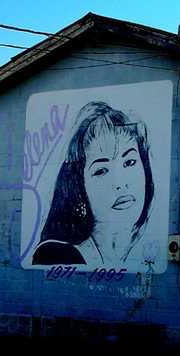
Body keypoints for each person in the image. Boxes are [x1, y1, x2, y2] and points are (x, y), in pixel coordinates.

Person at [32, 101, 154, 265]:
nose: (120, 183)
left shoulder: (144, 250)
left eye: (130, 162)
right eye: (101, 170)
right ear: (80, 187)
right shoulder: (57, 254)